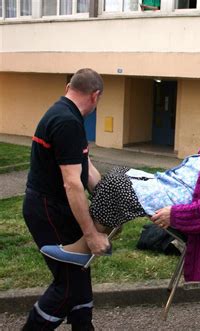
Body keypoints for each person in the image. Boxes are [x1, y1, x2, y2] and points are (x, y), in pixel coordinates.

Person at [41, 93, 200, 282]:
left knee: (118, 186)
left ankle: (86, 245)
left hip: (180, 202)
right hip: (171, 187)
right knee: (118, 173)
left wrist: (176, 215)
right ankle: (100, 231)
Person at [22, 68, 110, 330]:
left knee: (79, 277)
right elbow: (72, 183)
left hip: (53, 207)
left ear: (69, 87)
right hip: (49, 210)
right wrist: (91, 234)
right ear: (95, 96)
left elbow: (86, 166)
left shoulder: (66, 114)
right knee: (68, 285)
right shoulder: (67, 122)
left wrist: (108, 194)